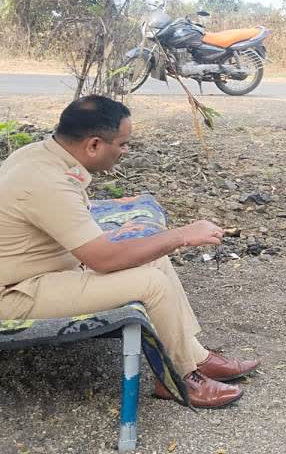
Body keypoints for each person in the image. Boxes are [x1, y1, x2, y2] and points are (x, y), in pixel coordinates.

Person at [0, 96, 260, 408]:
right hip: (16, 292)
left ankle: (194, 357)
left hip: (43, 272)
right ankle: (176, 379)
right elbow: (104, 259)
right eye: (122, 144)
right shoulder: (47, 181)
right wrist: (182, 235)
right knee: (150, 282)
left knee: (155, 258)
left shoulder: (40, 155)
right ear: (94, 144)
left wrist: (156, 240)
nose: (125, 152)